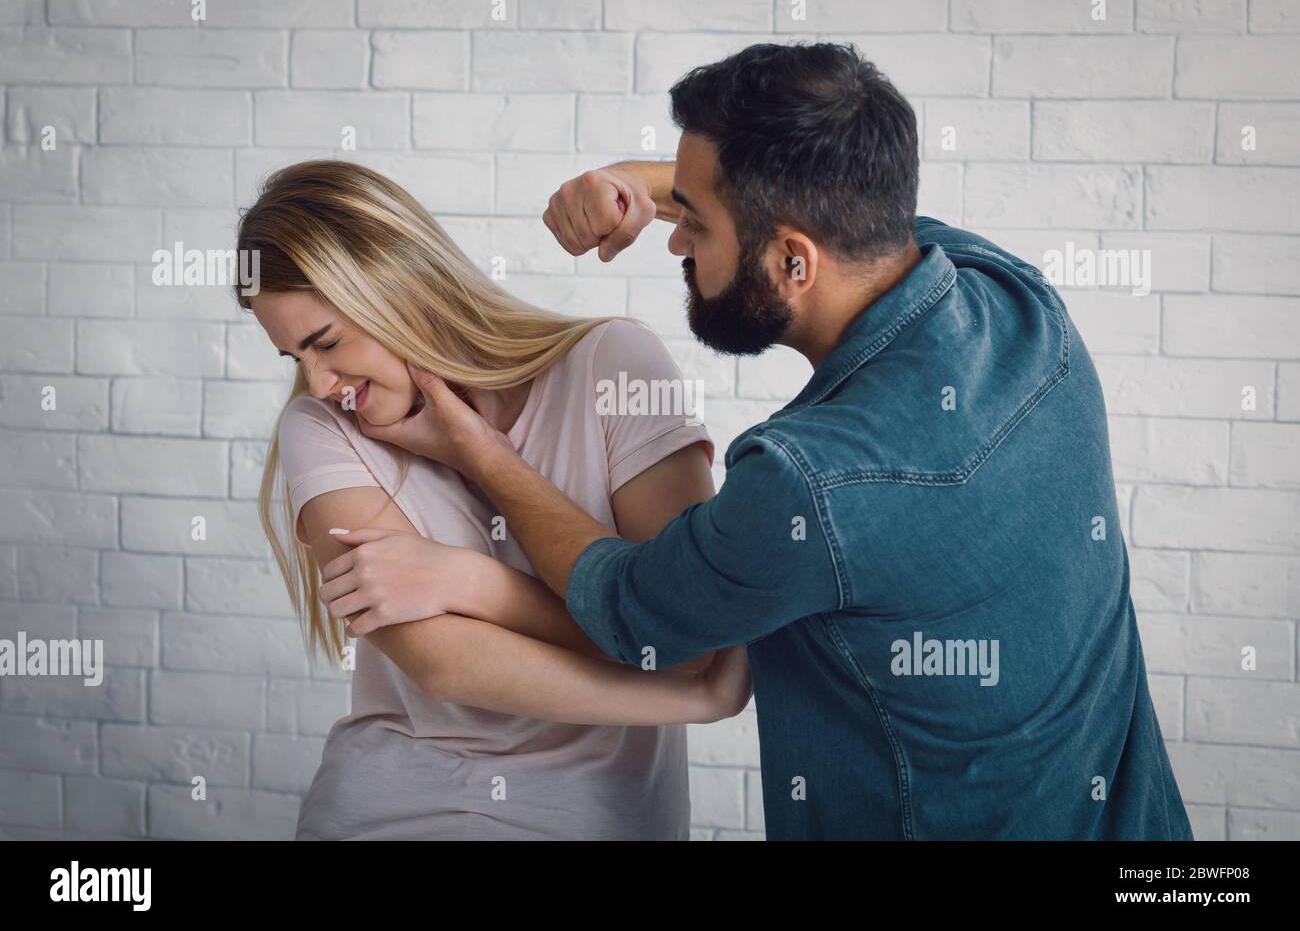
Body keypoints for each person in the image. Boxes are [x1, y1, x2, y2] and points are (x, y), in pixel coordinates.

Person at [345, 42, 1195, 840]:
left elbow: (631, 612)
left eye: (697, 225)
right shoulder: (1013, 299)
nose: (674, 238)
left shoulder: (807, 484)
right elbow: (848, 211)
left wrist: (477, 452)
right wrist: (638, 182)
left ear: (794, 260)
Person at [235, 158, 751, 840]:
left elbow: (677, 633)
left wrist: (475, 552)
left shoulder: (613, 366)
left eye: (325, 342)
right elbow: (444, 665)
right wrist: (686, 692)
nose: (319, 380)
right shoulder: (320, 428)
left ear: (397, 286)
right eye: (291, 357)